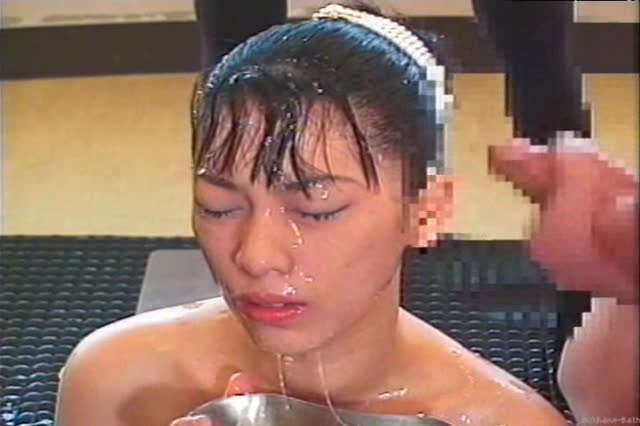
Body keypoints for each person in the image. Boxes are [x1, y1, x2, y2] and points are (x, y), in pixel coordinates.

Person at [55, 3, 638, 426]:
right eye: (220, 206)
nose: (255, 255)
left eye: (318, 209)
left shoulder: (498, 418)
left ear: (428, 211)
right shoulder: (115, 379)